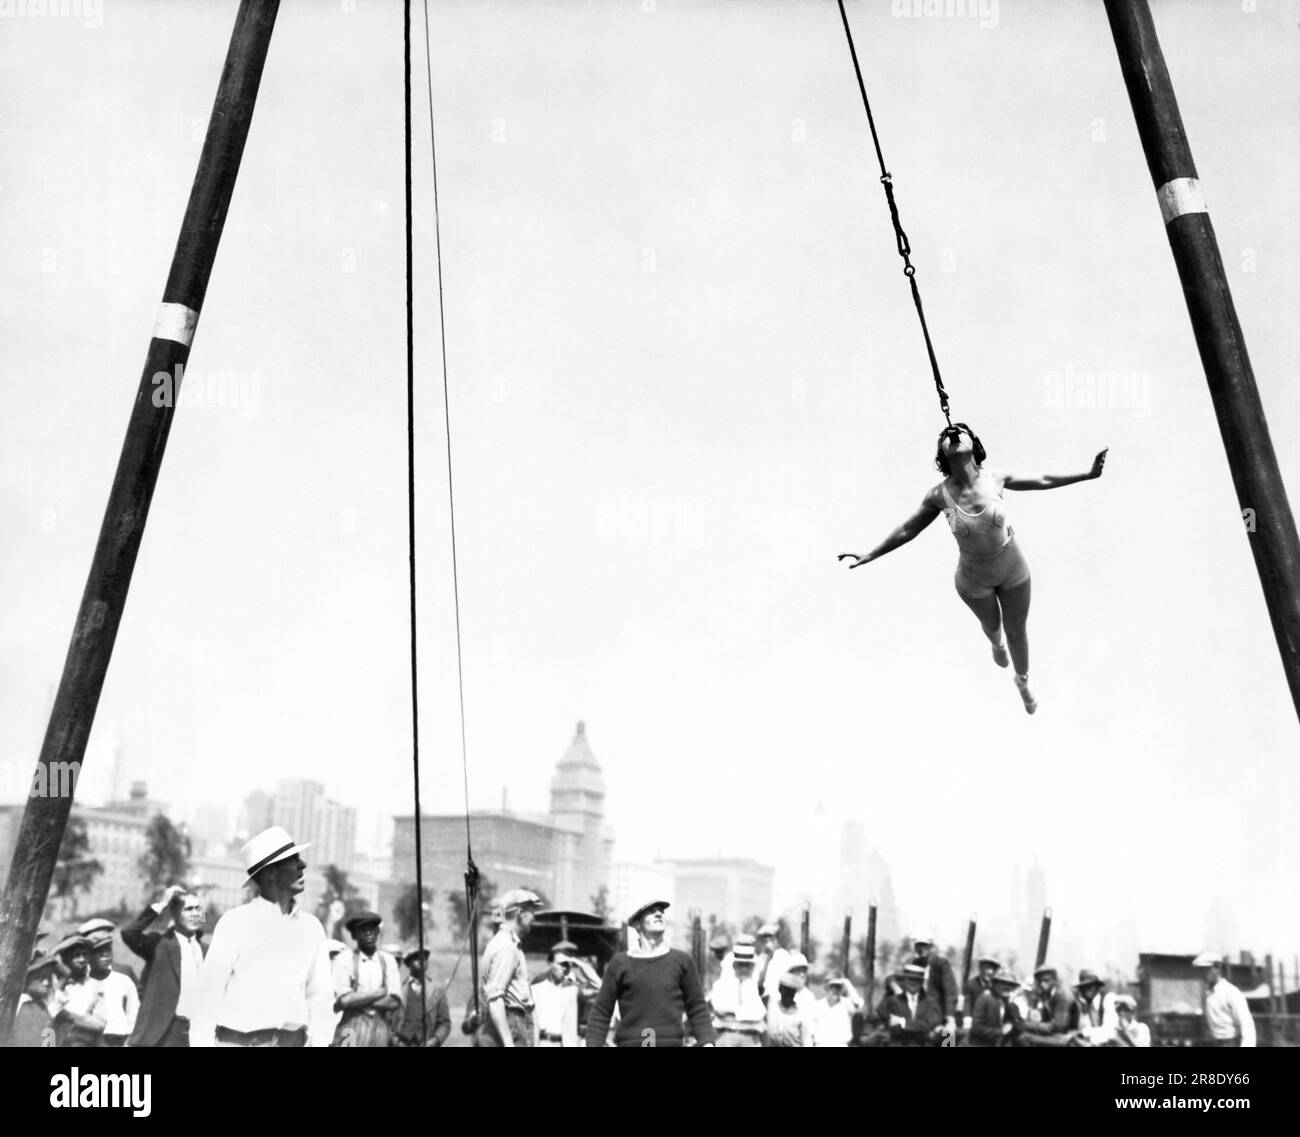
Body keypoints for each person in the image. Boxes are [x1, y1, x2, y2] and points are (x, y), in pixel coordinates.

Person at [840, 423, 1107, 714]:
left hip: (1012, 567)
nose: (953, 435)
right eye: (945, 436)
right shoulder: (938, 496)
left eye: (960, 431)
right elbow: (907, 529)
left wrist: (1088, 474)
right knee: (993, 627)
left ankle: (1022, 679)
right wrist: (871, 554)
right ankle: (995, 644)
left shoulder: (996, 479)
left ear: (974, 444)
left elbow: (1043, 479)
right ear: (941, 454)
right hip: (973, 579)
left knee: (1016, 630)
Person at [192, 825, 335, 1047]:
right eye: (293, 859)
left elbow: (321, 998)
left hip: (293, 1041)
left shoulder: (312, 927)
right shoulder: (235, 922)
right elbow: (207, 997)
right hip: (238, 1042)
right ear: (270, 872)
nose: (302, 864)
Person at [584, 899, 715, 1048]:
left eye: (661, 911)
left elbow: (697, 1007)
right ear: (637, 923)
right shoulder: (620, 963)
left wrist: (707, 1042)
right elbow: (601, 1012)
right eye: (651, 911)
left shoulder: (682, 961)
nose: (658, 914)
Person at [122, 885, 207, 1048]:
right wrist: (162, 903)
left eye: (198, 909)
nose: (195, 914)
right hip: (162, 1034)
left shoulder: (207, 950)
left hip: (197, 1035)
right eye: (188, 909)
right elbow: (129, 933)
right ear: (174, 913)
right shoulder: (158, 944)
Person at [477, 888, 545, 1047]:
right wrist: (509, 1043)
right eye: (531, 912)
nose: (534, 917)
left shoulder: (511, 945)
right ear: (520, 913)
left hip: (516, 1021)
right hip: (511, 1023)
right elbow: (495, 999)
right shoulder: (506, 948)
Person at [332, 911, 401, 1047]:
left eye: (372, 929)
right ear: (354, 935)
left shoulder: (388, 960)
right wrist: (379, 993)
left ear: (377, 932)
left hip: (379, 1026)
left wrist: (358, 999)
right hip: (351, 1027)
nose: (368, 933)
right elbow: (345, 1001)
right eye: (362, 929)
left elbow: (394, 1002)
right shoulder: (344, 959)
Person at [83, 927, 140, 1047]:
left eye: (108, 950)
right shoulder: (83, 982)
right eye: (99, 951)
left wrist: (129, 1041)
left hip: (119, 1039)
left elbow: (133, 1012)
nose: (105, 954)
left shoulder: (123, 980)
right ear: (89, 955)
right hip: (91, 1040)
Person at [708, 938, 766, 1047]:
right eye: (740, 965)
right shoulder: (722, 984)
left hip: (751, 1038)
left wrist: (733, 1013)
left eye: (747, 965)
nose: (744, 969)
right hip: (726, 1036)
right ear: (734, 966)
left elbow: (759, 1014)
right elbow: (719, 1009)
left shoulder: (756, 987)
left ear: (753, 967)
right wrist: (745, 1013)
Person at [50, 933, 104, 1048]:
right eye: (76, 955)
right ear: (65, 959)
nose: (82, 960)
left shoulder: (95, 985)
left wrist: (67, 1016)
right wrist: (58, 948)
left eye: (85, 955)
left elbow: (100, 1024)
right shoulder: (56, 985)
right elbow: (51, 1013)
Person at [874, 964, 946, 1047]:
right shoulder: (892, 1001)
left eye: (917, 980)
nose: (913, 983)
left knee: (948, 1035)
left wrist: (903, 1022)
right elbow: (893, 1028)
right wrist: (923, 1029)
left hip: (924, 1045)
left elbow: (931, 1023)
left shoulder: (931, 1003)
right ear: (904, 980)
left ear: (922, 982)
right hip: (899, 1044)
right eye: (910, 979)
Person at [1193, 952, 1256, 1047]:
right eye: (1201, 970)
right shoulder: (1207, 993)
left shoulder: (1231, 992)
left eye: (1207, 969)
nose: (1204, 973)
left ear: (1217, 968)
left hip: (1229, 1042)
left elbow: (1247, 1025)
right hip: (1212, 1041)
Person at [532, 940, 588, 1047]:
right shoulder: (540, 981)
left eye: (571, 954)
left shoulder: (575, 985)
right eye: (567, 953)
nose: (569, 957)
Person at [394, 948, 451, 1047]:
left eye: (425, 959)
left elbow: (445, 1023)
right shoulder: (398, 988)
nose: (422, 961)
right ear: (408, 963)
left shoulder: (437, 989)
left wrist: (434, 1041)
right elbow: (388, 1022)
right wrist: (396, 1042)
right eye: (417, 958)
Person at [5, 955, 59, 1048]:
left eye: (49, 978)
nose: (47, 983)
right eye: (41, 978)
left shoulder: (42, 1007)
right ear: (28, 978)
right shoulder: (18, 1004)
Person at [911, 935, 958, 1038]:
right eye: (919, 945)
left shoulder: (940, 963)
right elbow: (901, 979)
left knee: (948, 1037)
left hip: (941, 1013)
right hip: (921, 1015)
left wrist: (950, 1017)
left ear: (931, 947)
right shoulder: (915, 964)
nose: (922, 948)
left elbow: (950, 990)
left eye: (925, 945)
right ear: (915, 948)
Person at [1019, 965, 1079, 1047]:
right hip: (1058, 1034)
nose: (1042, 984)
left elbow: (1057, 1027)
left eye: (1046, 980)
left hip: (1068, 1038)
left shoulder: (1063, 995)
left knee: (1024, 1037)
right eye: (1040, 981)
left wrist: (1025, 1024)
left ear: (1054, 980)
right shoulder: (1050, 994)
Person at [968, 970, 1023, 1047]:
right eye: (1003, 983)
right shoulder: (984, 999)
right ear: (995, 984)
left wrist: (1010, 1005)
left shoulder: (1012, 1006)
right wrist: (1000, 1032)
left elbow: (1019, 1029)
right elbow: (976, 1028)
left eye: (1011, 985)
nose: (1007, 987)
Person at [812, 975, 864, 1047]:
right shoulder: (817, 1005)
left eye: (838, 987)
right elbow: (810, 1030)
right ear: (826, 988)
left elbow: (858, 1003)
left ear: (842, 989)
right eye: (832, 987)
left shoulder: (847, 1004)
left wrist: (846, 982)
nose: (835, 990)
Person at [766, 974, 814, 1047]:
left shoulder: (800, 1014)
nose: (788, 993)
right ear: (780, 989)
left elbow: (807, 1040)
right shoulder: (772, 1006)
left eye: (791, 991)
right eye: (786, 989)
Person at [1073, 969, 1118, 1046]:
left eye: (1090, 986)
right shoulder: (1083, 1005)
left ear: (1097, 986)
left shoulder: (1108, 999)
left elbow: (1110, 1032)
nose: (1086, 990)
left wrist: (1083, 1033)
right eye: (1083, 987)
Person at [963, 954, 1001, 1027]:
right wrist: (967, 1021)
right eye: (987, 968)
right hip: (974, 1023)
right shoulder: (971, 984)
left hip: (990, 1026)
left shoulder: (996, 987)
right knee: (948, 1034)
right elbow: (967, 1003)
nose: (990, 972)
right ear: (980, 968)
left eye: (993, 969)